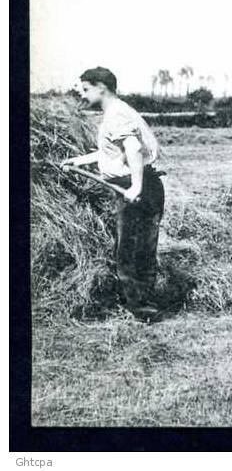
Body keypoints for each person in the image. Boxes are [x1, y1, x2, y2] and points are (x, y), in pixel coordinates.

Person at [60, 67, 164, 321]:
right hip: (137, 185)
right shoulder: (118, 111)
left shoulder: (117, 114)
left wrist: (136, 187)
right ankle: (140, 302)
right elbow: (113, 152)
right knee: (136, 245)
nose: (82, 94)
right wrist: (79, 161)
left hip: (136, 187)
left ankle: (141, 308)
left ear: (101, 88)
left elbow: (133, 149)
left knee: (132, 247)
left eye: (85, 89)